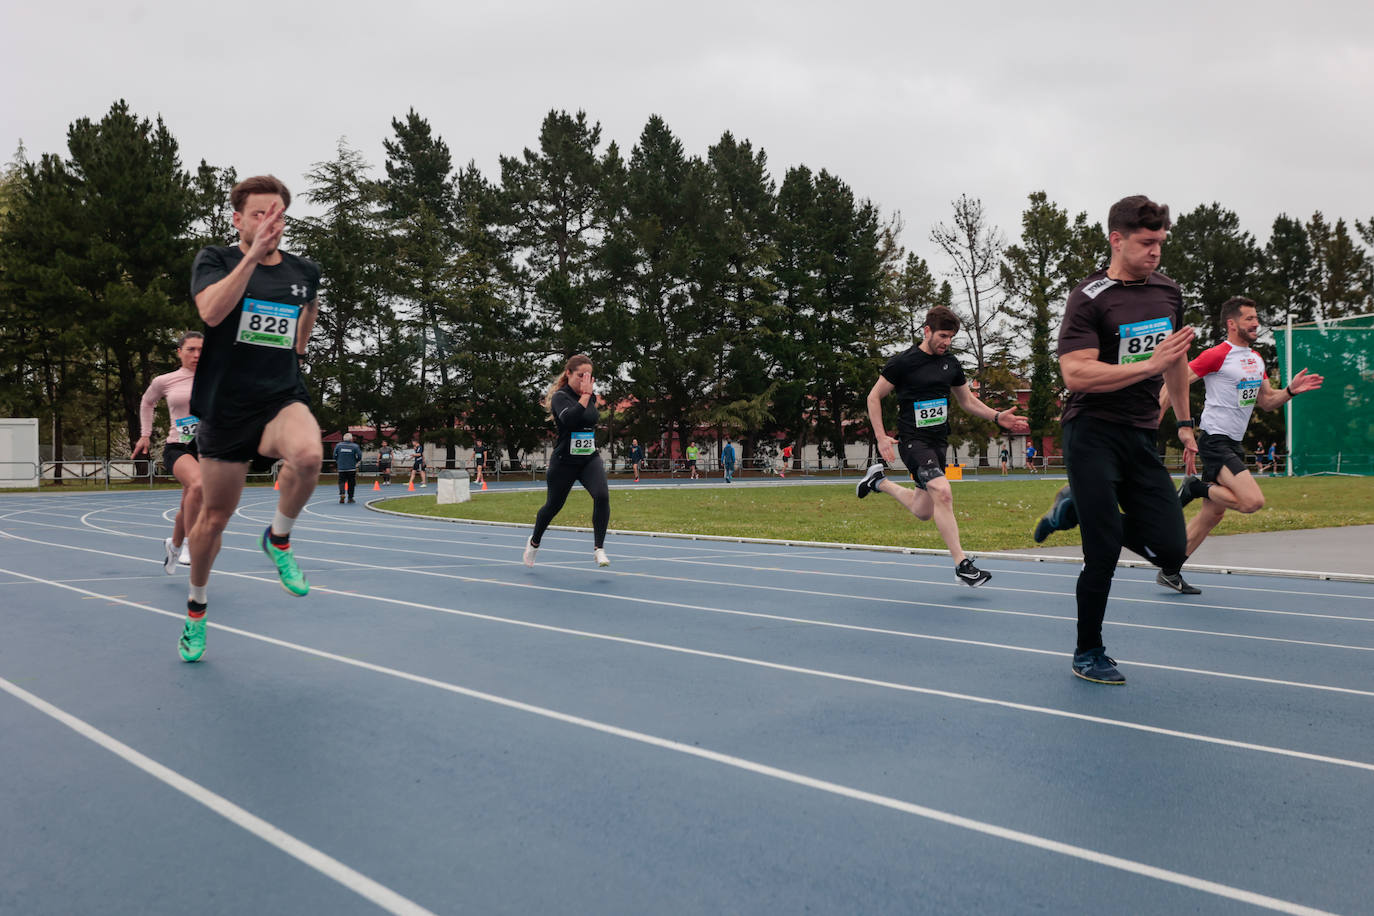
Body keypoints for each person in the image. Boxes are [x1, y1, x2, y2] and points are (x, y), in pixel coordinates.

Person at [1031, 195, 1197, 685]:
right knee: (1101, 550)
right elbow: (1076, 373)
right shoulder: (1089, 297)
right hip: (1092, 432)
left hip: (1142, 432)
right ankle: (1089, 651)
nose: (1156, 252)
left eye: (1161, 243)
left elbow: (1178, 362)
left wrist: (1185, 423)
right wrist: (1147, 365)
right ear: (1117, 239)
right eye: (1147, 243)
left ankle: (1076, 507)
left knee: (1170, 550)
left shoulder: (1168, 292)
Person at [178, 174, 323, 663]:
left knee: (308, 454)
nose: (269, 222)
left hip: (279, 397)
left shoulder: (304, 270)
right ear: (238, 219)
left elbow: (304, 323)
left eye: (277, 214)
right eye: (259, 214)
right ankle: (196, 608)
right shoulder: (215, 260)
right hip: (225, 407)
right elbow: (213, 313)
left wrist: (304, 328)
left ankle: (278, 538)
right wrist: (251, 256)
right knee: (213, 519)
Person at [857, 305, 1029, 587]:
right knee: (943, 490)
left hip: (938, 442)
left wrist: (998, 416)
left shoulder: (950, 364)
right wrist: (880, 436)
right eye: (943, 336)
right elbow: (874, 396)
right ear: (927, 331)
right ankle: (962, 565)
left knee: (924, 510)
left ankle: (879, 482)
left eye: (951, 337)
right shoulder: (903, 362)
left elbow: (967, 401)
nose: (947, 342)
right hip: (913, 441)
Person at [1167, 296, 1323, 562]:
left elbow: (1266, 401)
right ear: (1232, 323)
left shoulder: (1256, 359)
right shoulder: (1217, 354)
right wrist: (1181, 426)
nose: (1256, 323)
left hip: (1233, 443)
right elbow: (1175, 382)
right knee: (1252, 501)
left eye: (1256, 318)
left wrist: (1289, 391)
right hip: (1215, 440)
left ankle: (1170, 567)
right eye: (1249, 318)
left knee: (1212, 514)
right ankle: (1195, 487)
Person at [523, 354, 611, 568]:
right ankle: (534, 542)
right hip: (564, 462)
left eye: (589, 376)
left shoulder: (591, 396)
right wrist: (584, 396)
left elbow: (590, 421)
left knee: (601, 496)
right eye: (581, 375)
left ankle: (599, 548)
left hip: (589, 458)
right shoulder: (560, 397)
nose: (585, 381)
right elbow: (570, 420)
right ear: (569, 373)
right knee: (553, 506)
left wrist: (589, 396)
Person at [133, 331, 204, 574]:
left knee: (188, 504)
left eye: (201, 350)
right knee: (198, 485)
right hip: (179, 446)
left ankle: (173, 545)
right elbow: (147, 402)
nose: (196, 355)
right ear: (179, 352)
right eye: (191, 349)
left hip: (207, 447)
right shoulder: (166, 380)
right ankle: (191, 546)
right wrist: (145, 434)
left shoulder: (216, 377)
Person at [333, 432, 362, 503]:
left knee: (341, 481)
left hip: (341, 467)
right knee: (351, 483)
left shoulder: (338, 445)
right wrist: (355, 461)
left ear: (343, 439)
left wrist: (338, 461)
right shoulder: (355, 446)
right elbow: (359, 456)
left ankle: (342, 494)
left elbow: (334, 455)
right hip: (351, 467)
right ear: (351, 439)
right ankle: (350, 497)